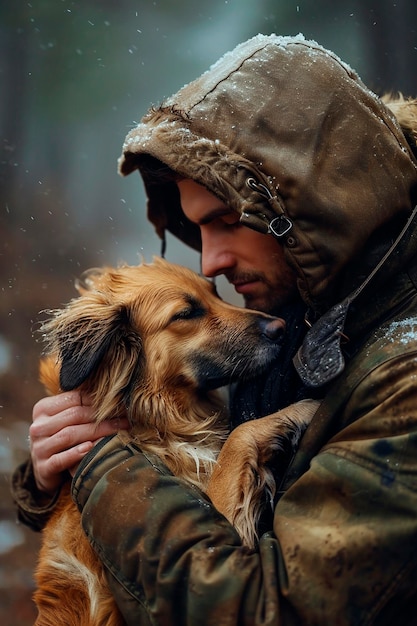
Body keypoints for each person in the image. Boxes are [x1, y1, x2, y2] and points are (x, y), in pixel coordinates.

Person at [11, 33, 417, 624]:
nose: (210, 263)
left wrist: (101, 464)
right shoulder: (311, 315)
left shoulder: (402, 379)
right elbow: (177, 438)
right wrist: (52, 470)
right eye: (198, 231)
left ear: (317, 204)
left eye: (228, 221)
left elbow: (263, 608)